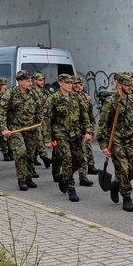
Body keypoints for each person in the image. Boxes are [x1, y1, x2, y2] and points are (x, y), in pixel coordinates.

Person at [98, 72, 133, 212]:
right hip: (116, 141)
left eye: (131, 85)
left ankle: (115, 184)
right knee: (123, 169)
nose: (130, 87)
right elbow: (102, 125)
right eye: (127, 85)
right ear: (119, 86)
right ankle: (127, 198)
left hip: (131, 139)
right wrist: (104, 146)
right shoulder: (110, 102)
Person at [43, 74, 92, 202]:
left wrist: (88, 131)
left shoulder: (76, 97)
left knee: (80, 160)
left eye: (71, 83)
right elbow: (46, 120)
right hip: (61, 135)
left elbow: (84, 115)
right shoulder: (53, 99)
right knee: (67, 159)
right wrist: (47, 139)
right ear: (60, 83)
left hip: (76, 134)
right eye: (67, 83)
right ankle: (71, 189)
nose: (71, 85)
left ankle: (64, 177)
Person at [0, 71, 43, 191]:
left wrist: (40, 124)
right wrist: (4, 128)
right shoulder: (10, 93)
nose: (30, 83)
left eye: (31, 80)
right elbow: (1, 112)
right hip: (15, 129)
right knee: (21, 152)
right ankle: (21, 179)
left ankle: (28, 177)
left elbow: (39, 110)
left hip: (30, 129)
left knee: (30, 154)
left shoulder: (33, 93)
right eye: (28, 81)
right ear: (20, 81)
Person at [73, 78, 96, 187]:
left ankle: (83, 177)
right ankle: (64, 176)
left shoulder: (86, 98)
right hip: (71, 131)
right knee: (71, 157)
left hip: (84, 130)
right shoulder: (69, 97)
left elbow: (90, 115)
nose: (78, 86)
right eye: (75, 84)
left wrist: (91, 129)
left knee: (84, 152)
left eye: (80, 84)